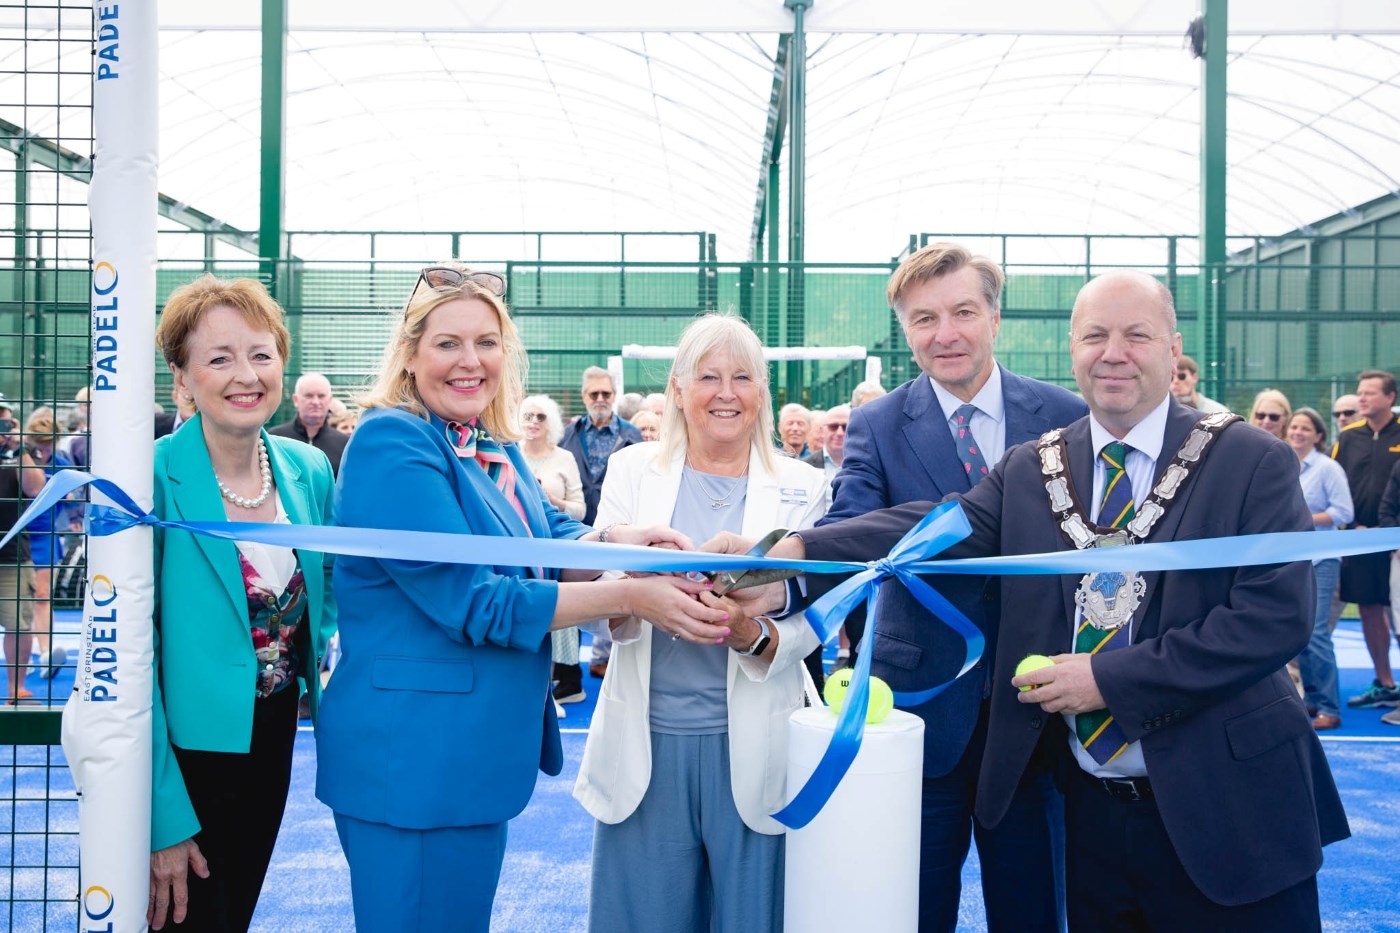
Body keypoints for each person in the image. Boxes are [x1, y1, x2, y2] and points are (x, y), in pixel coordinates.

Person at [734, 269, 1349, 930]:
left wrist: (1107, 679)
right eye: (1095, 336)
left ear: (1174, 351)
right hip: (1094, 816)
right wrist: (792, 556)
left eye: (1137, 336)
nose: (1113, 353)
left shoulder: (1251, 459)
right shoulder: (1036, 465)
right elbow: (934, 528)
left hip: (1228, 811)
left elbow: (1274, 618)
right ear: (1072, 350)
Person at [314, 263, 727, 933]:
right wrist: (632, 595)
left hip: (464, 758)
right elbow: (479, 602)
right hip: (414, 762)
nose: (470, 360)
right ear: (410, 354)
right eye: (447, 343)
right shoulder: (393, 442)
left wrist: (617, 541)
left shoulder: (486, 440)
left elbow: (546, 535)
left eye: (486, 342)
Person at [813, 241, 1084, 932]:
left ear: (995, 318)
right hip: (920, 711)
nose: (945, 334)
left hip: (1037, 713)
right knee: (911, 910)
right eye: (924, 319)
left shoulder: (1064, 415)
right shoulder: (877, 423)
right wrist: (777, 570)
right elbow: (850, 530)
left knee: (1034, 911)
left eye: (963, 312)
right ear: (905, 332)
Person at [575, 313, 828, 933]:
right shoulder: (633, 469)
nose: (725, 393)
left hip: (761, 746)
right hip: (646, 743)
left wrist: (754, 635)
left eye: (742, 377)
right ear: (678, 388)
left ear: (761, 392)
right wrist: (641, 594)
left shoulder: (806, 485)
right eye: (708, 377)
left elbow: (820, 610)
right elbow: (598, 588)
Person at [146, 274, 338, 932]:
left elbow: (327, 596)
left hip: (274, 736)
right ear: (181, 377)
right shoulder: (148, 477)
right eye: (220, 358)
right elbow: (128, 659)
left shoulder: (308, 469)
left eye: (261, 354)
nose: (246, 375)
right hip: (181, 758)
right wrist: (161, 816)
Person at [1334, 370, 1400, 710]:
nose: (1362, 398)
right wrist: (1351, 529)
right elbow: (1337, 485)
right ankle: (1385, 682)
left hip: (1396, 544)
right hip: (1359, 541)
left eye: (1370, 393)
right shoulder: (1348, 437)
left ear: (1390, 397)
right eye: (1360, 392)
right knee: (1370, 611)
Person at [519, 393, 588, 704]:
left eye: (541, 416)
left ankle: (557, 687)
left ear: (552, 423)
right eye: (528, 415)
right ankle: (531, 691)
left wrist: (551, 502)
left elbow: (580, 510)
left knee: (557, 615)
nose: (533, 422)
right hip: (518, 550)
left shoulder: (564, 458)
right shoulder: (509, 453)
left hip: (554, 547)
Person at [1287, 407, 1353, 730]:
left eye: (1305, 428)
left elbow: (1344, 512)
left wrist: (1302, 518)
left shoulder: (1328, 468)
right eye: (1294, 427)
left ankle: (1329, 707)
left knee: (1316, 633)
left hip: (1322, 560)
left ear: (1318, 435)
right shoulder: (1283, 464)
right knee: (1299, 632)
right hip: (1292, 560)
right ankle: (1312, 701)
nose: (1298, 432)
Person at [21, 407, 75, 681]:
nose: (43, 450)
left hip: (45, 536)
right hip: (17, 536)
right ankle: (23, 652)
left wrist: (68, 498)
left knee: (42, 595)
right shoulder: (17, 459)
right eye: (38, 444)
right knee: (18, 599)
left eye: (48, 444)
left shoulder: (61, 463)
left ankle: (45, 653)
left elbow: (73, 498)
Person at [561, 366, 642, 526]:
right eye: (594, 394)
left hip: (618, 526)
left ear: (614, 396)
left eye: (606, 394)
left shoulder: (632, 435)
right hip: (575, 526)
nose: (600, 399)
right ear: (584, 397)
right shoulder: (567, 435)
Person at [2, 414, 44, 705]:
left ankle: (16, 690)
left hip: (12, 555)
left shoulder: (23, 452)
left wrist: (18, 447)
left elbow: (35, 488)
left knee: (18, 624)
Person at [268, 372, 349, 476]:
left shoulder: (343, 444)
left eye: (321, 396)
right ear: (296, 400)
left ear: (329, 400)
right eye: (309, 396)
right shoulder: (274, 438)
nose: (315, 402)